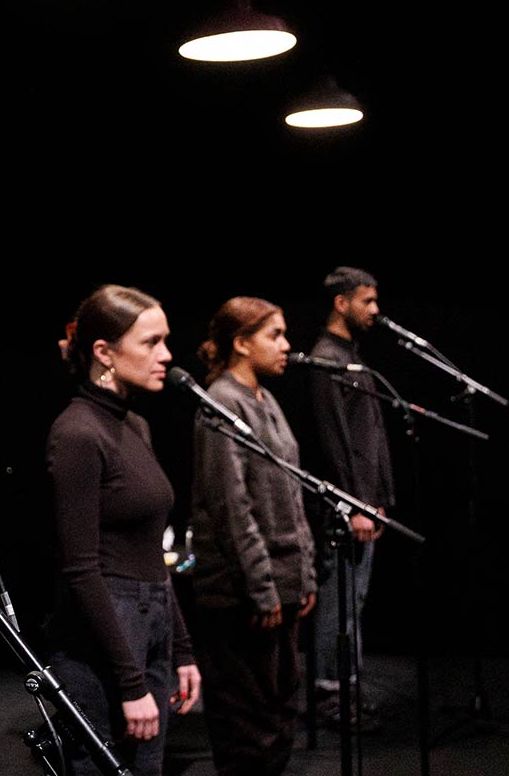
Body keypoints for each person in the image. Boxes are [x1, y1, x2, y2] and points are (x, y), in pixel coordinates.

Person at [43, 284, 201, 776]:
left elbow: (151, 553)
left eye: (165, 340)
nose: (167, 355)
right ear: (104, 353)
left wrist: (182, 649)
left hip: (149, 618)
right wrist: (131, 684)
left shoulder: (134, 425)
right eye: (151, 342)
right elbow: (81, 568)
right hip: (104, 637)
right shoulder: (77, 433)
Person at [186, 296, 318, 776]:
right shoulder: (222, 403)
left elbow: (290, 491)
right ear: (241, 343)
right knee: (247, 718)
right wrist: (263, 588)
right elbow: (231, 508)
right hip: (242, 592)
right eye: (275, 335)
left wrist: (302, 574)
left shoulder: (264, 397)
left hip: (279, 584)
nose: (286, 345)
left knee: (281, 707)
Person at [306, 266, 395, 728]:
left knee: (353, 602)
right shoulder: (326, 358)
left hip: (364, 503)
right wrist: (355, 504)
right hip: (345, 507)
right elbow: (334, 441)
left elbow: (369, 438)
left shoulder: (353, 356)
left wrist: (379, 499)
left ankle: (348, 687)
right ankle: (328, 695)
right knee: (338, 600)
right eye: (368, 301)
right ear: (341, 303)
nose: (376, 311)